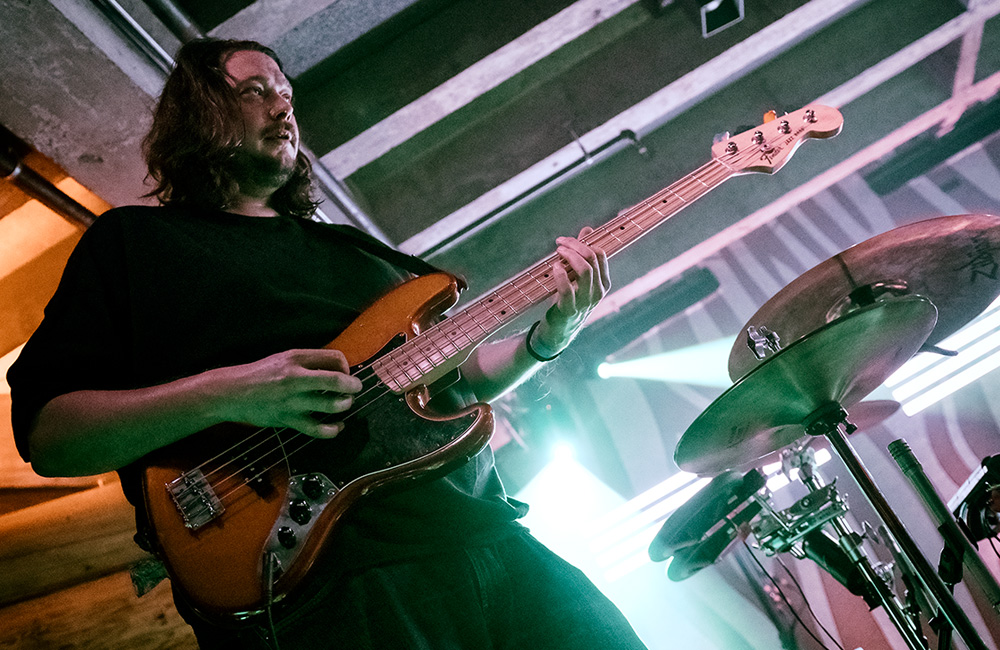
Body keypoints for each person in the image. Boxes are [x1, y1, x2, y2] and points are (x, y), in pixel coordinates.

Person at [7, 38, 648, 649]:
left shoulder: (363, 257)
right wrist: (228, 393)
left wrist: (549, 338)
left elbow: (454, 379)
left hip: (491, 536)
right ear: (200, 112)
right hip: (333, 580)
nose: (283, 106)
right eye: (255, 91)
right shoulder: (136, 244)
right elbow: (51, 437)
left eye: (285, 93)